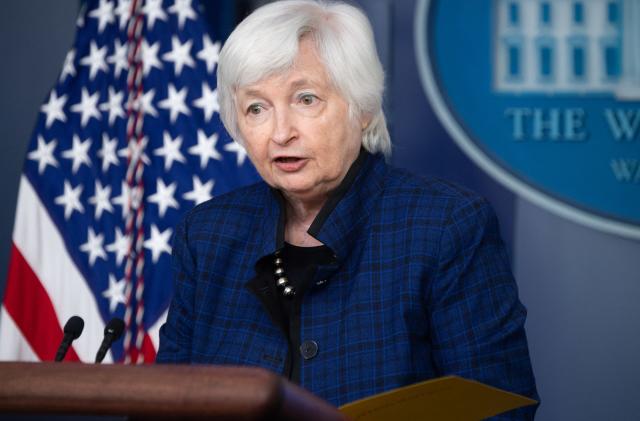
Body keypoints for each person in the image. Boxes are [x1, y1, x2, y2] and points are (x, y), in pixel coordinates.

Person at [156, 0, 538, 418]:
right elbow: (167, 403)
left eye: (305, 99)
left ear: (364, 108)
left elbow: (498, 411)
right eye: (256, 108)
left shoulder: (446, 227)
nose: (280, 132)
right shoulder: (207, 234)